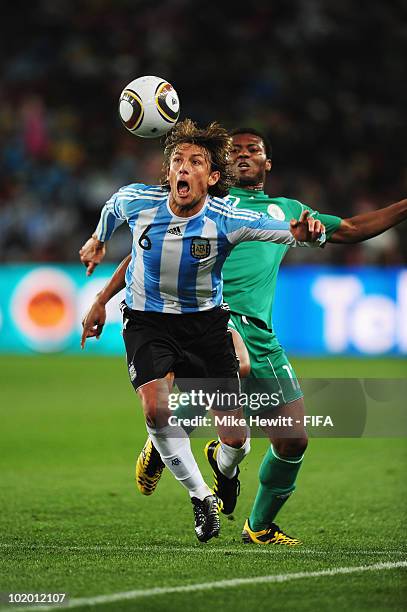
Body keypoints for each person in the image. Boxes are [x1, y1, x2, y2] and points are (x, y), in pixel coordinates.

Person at [82, 126, 407, 546]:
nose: (243, 154)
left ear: (267, 163)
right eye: (234, 150)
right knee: (222, 373)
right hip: (212, 320)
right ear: (220, 169)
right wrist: (103, 297)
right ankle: (171, 435)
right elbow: (145, 254)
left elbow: (349, 228)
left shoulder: (282, 210)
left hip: (256, 330)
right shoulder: (204, 201)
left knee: (293, 439)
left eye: (254, 149)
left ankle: (257, 523)